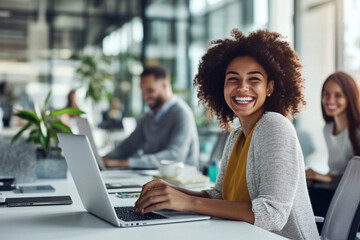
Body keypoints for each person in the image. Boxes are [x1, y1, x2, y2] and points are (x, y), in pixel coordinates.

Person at [134, 29, 319, 239]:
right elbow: (219, 196)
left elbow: (272, 215)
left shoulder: (275, 126)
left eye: (254, 79)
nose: (242, 87)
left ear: (269, 87)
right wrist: (173, 192)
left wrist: (188, 202)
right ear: (222, 86)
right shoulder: (237, 135)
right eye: (233, 79)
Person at [103, 66, 199, 169]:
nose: (144, 97)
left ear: (165, 86)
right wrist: (103, 159)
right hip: (156, 177)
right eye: (143, 91)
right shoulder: (148, 116)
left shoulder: (182, 113)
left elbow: (175, 155)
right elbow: (129, 146)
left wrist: (126, 163)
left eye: (150, 90)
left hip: (182, 180)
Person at [306, 71, 360, 220]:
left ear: (350, 97)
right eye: (326, 94)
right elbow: (335, 172)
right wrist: (316, 177)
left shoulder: (357, 131)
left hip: (352, 202)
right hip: (335, 193)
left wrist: (325, 177)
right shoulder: (328, 129)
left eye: (338, 95)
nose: (330, 100)